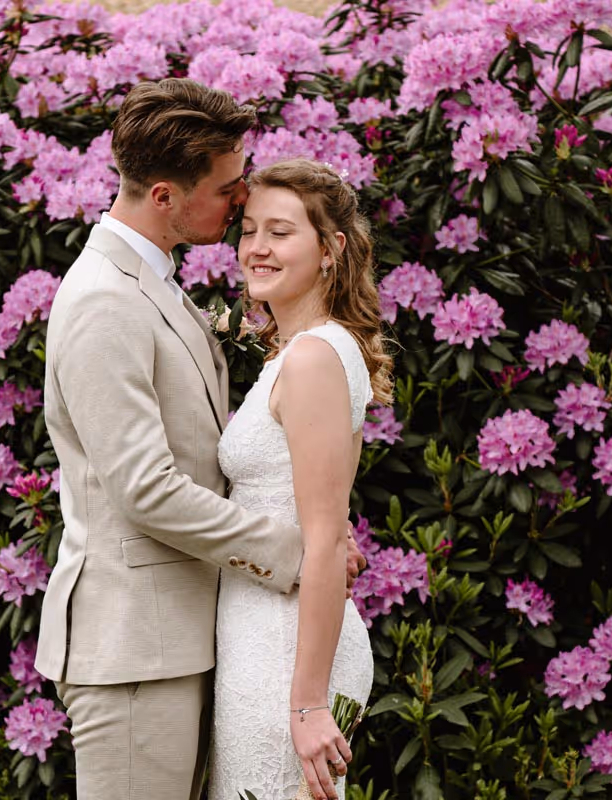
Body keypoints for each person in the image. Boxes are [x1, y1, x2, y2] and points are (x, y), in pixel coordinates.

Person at [35, 81, 364, 800]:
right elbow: (144, 488)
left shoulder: (153, 285)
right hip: (132, 653)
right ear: (163, 196)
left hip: (184, 638)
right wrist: (296, 554)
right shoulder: (102, 300)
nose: (240, 203)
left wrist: (313, 535)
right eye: (227, 189)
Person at [209, 159, 391, 800]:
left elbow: (325, 539)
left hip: (286, 649)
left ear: (331, 248)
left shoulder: (314, 357)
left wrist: (309, 703)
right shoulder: (304, 349)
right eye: (249, 229)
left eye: (281, 232)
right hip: (262, 630)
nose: (257, 247)